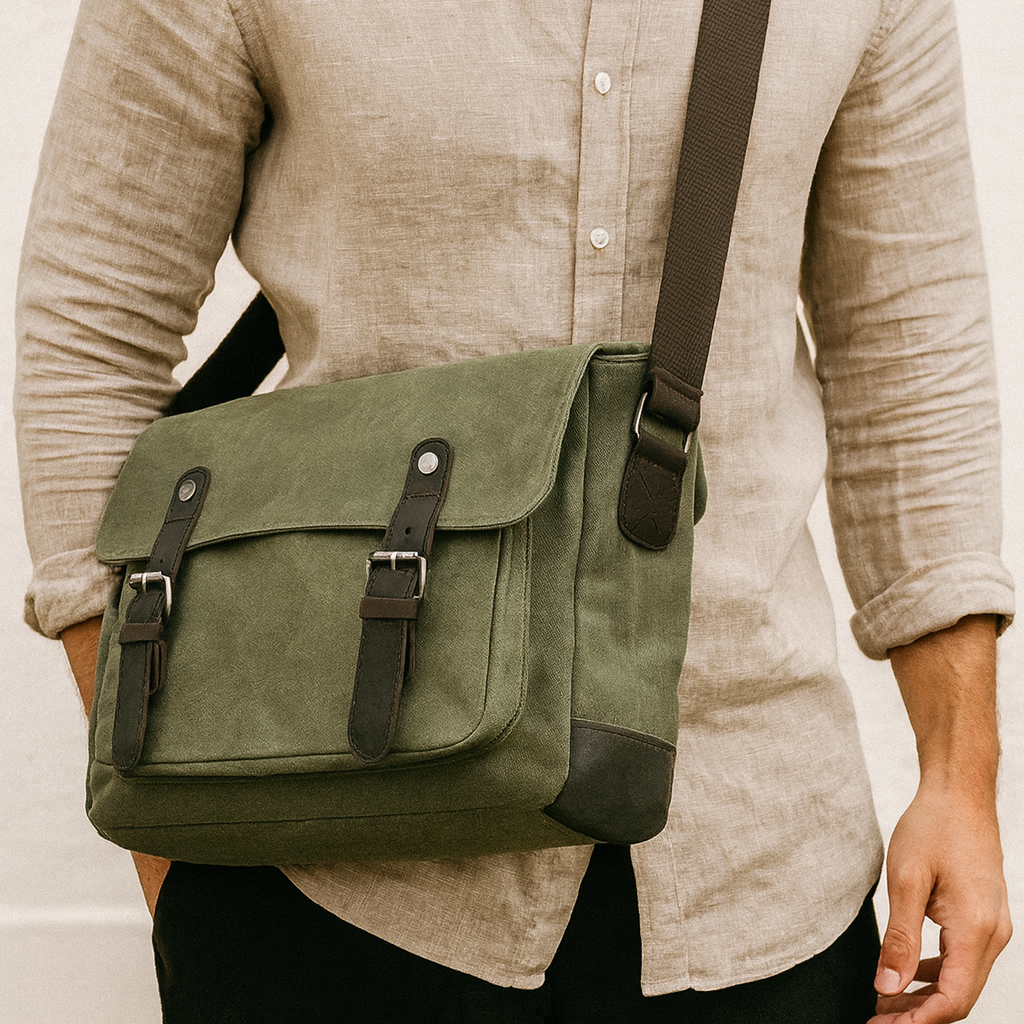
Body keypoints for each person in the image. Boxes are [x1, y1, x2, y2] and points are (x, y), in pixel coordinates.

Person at [15, 0, 1013, 1021]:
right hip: (325, 878)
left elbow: (910, 362)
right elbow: (89, 338)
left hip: (758, 866)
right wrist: (168, 835)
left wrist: (959, 779)